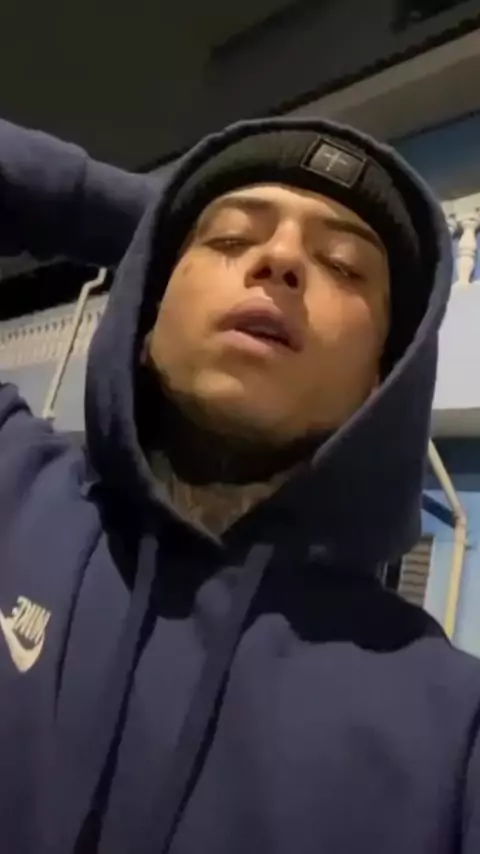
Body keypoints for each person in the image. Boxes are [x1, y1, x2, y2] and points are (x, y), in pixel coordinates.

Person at [0, 116, 479, 854]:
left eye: (344, 265)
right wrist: (152, 225)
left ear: (384, 377)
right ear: (149, 314)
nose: (280, 258)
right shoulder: (12, 487)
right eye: (228, 240)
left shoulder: (454, 738)